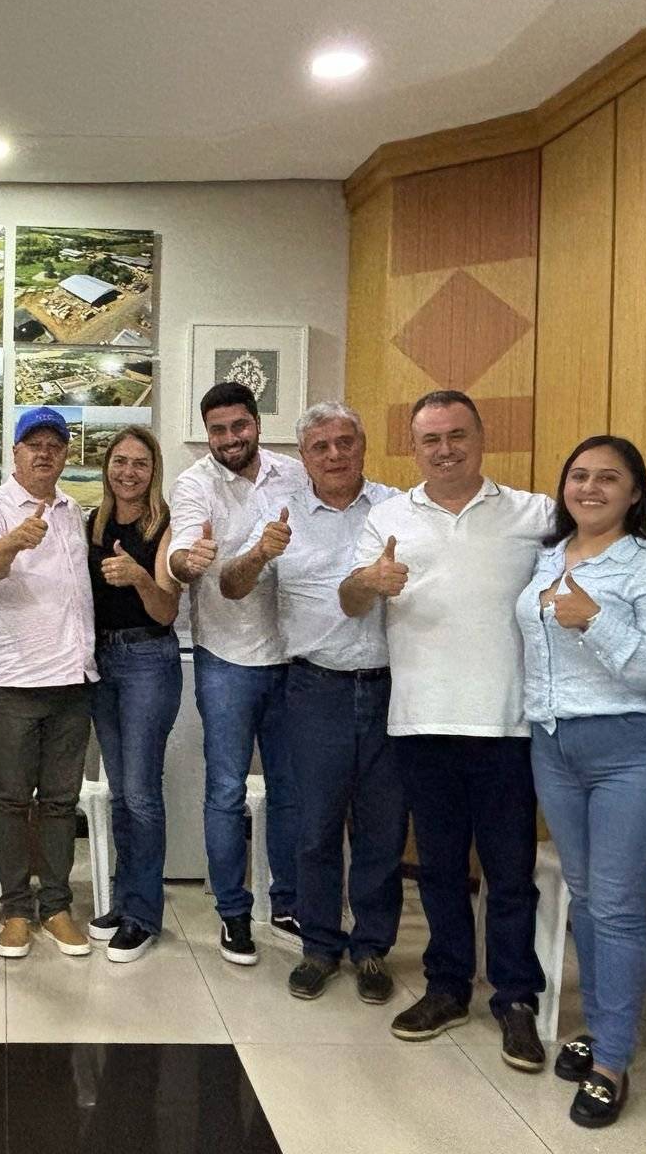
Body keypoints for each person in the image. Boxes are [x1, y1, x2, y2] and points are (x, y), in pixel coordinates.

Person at [340, 389, 552, 1072]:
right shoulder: (388, 517)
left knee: (510, 874)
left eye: (457, 435)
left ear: (481, 438)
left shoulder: (534, 513)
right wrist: (370, 581)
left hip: (507, 723)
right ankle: (448, 987)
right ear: (414, 448)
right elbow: (349, 599)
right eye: (430, 439)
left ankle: (515, 998)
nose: (445, 449)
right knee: (437, 870)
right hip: (421, 720)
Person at [515, 435, 646, 1127]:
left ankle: (612, 1060)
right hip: (553, 745)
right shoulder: (546, 557)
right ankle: (601, 1026)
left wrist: (595, 621)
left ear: (635, 492)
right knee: (587, 899)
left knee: (616, 905)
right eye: (579, 475)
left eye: (608, 478)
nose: (590, 488)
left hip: (633, 748)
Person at [221, 402, 404, 1004]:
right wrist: (259, 554)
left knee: (381, 829)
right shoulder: (281, 513)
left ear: (363, 445)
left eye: (344, 442)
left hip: (391, 689)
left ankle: (372, 948)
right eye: (320, 446)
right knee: (315, 827)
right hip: (315, 689)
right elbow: (231, 585)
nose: (334, 454)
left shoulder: (397, 507)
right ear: (303, 457)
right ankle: (320, 946)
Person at [168, 382, 303, 965]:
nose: (230, 438)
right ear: (207, 433)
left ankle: (288, 902)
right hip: (225, 658)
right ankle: (232, 913)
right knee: (225, 792)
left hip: (294, 657)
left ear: (257, 424)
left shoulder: (293, 473)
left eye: (239, 426)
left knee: (290, 791)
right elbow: (181, 550)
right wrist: (187, 561)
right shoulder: (194, 483)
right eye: (218, 430)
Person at [0, 405, 96, 960]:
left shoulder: (73, 511)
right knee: (13, 800)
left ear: (65, 455)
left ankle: (57, 906)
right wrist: (13, 541)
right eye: (34, 445)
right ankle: (16, 910)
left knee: (61, 802)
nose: (44, 454)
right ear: (15, 452)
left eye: (54, 446)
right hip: (13, 679)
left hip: (73, 678)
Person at [84, 425, 181, 964]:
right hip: (101, 662)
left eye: (139, 463)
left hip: (148, 659)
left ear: (153, 471)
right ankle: (124, 901)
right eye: (119, 461)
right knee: (120, 792)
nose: (128, 472)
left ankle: (143, 915)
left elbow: (166, 611)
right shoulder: (92, 524)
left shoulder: (165, 525)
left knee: (142, 793)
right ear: (107, 468)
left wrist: (141, 577)